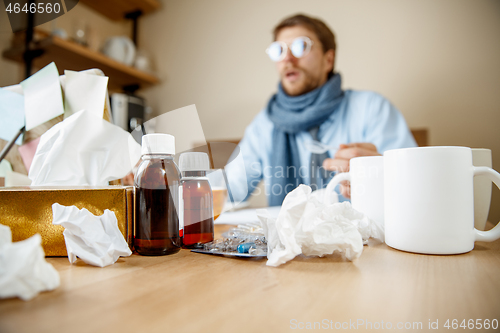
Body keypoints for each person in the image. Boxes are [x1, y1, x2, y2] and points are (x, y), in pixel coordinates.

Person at [225, 13, 416, 206]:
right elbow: (228, 191)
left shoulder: (372, 109)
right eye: (279, 50)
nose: (288, 59)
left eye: (301, 46)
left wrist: (381, 176)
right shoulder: (264, 125)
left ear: (328, 60)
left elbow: (415, 185)